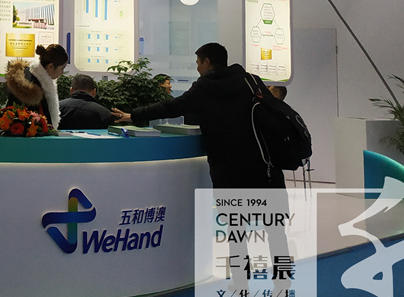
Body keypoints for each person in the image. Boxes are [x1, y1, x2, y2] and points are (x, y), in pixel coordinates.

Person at [114, 42, 285, 189]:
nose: (197, 68)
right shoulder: (251, 81)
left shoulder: (206, 87)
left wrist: (133, 115)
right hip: (266, 163)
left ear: (207, 62)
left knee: (234, 215)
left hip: (229, 167)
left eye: (198, 63)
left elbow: (171, 107)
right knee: (271, 214)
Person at [4, 43, 67, 130]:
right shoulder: (31, 88)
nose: (62, 72)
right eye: (62, 68)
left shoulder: (36, 80)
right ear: (50, 66)